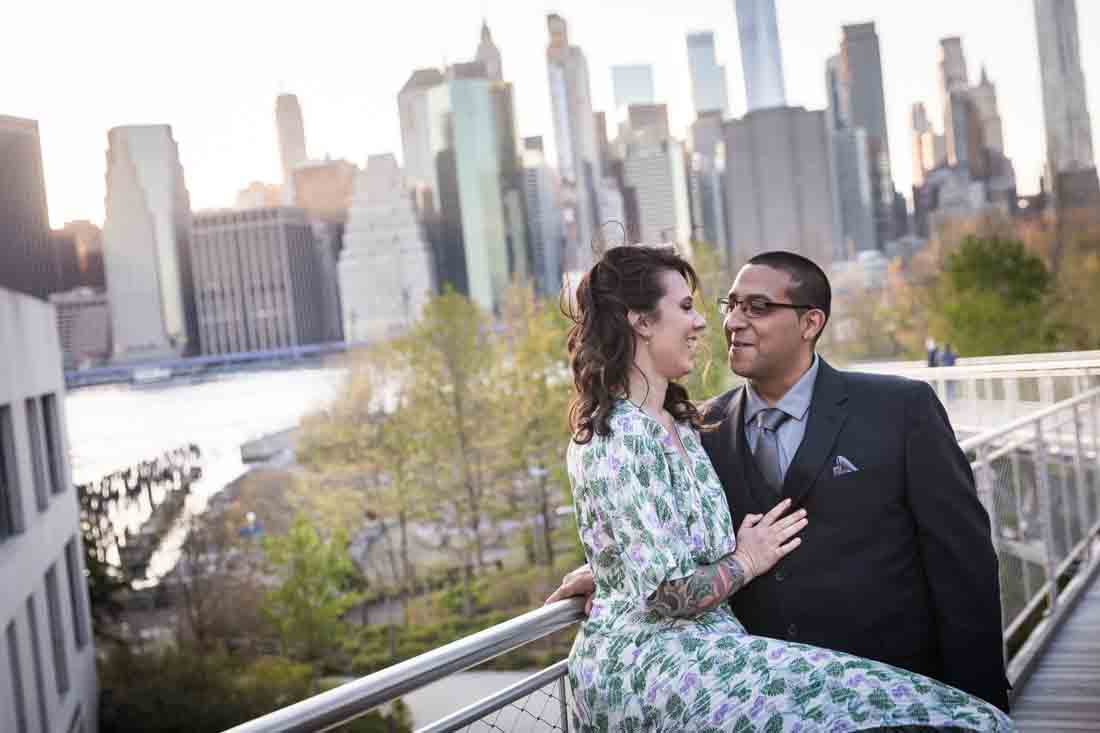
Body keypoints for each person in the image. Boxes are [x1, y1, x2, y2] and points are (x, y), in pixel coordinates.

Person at [554, 244, 1013, 731]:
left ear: (810, 322)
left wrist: (981, 692)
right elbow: (654, 548)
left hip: (879, 688)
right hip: (741, 689)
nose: (730, 321)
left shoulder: (900, 410)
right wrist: (612, 571)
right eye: (731, 304)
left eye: (758, 307)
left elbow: (963, 562)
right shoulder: (703, 429)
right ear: (641, 321)